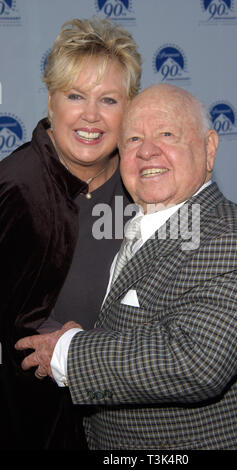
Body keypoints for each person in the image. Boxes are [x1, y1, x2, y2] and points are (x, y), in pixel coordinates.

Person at [15, 84, 237, 450]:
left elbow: (197, 361)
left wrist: (68, 350)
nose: (147, 151)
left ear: (209, 149)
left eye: (166, 134)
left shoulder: (231, 235)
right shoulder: (125, 223)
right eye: (132, 139)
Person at [0, 16, 141, 449]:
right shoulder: (14, 185)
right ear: (51, 101)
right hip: (39, 420)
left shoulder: (147, 181)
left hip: (130, 411)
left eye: (110, 100)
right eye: (75, 95)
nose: (91, 116)